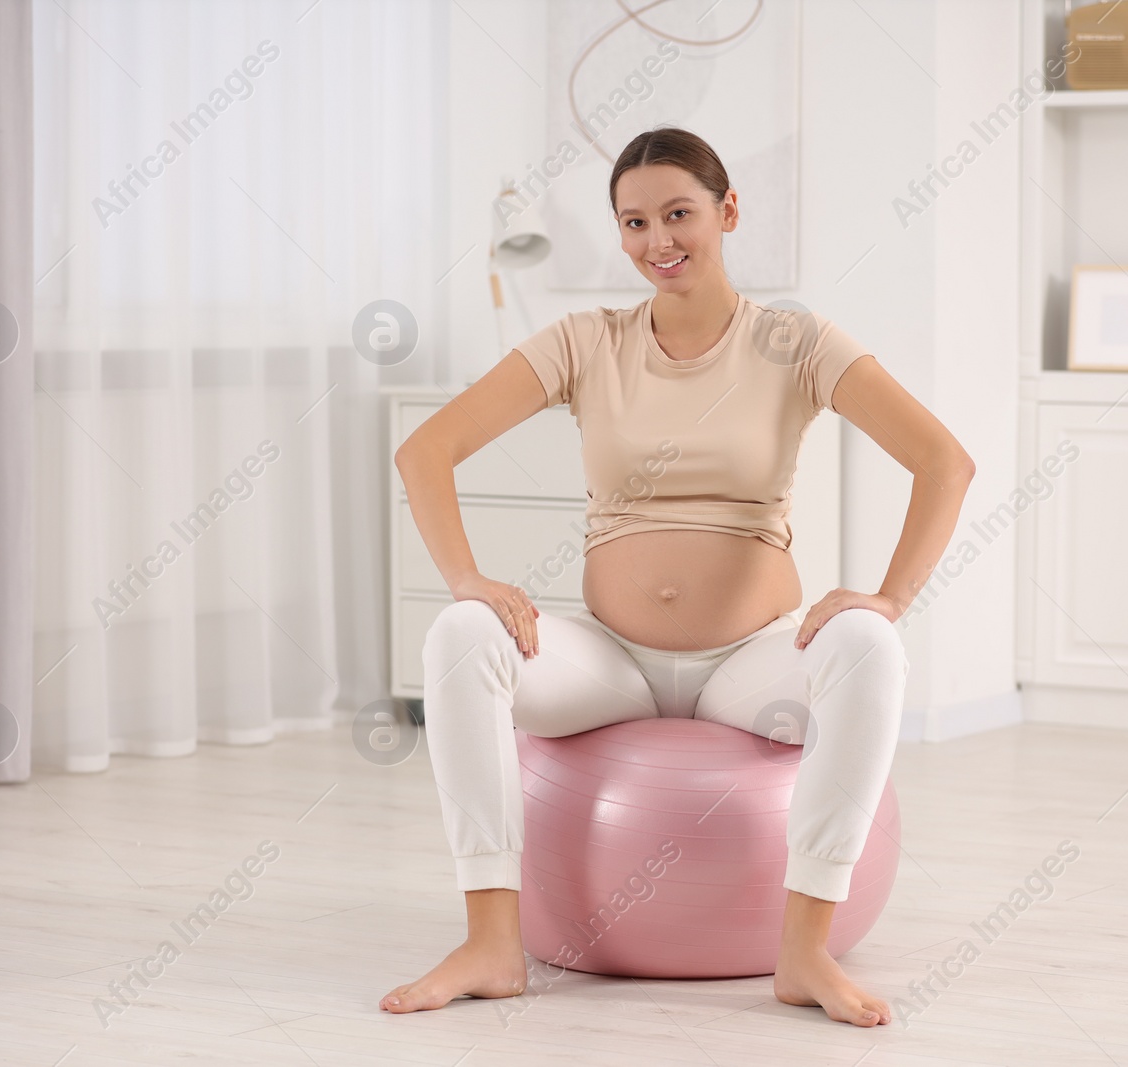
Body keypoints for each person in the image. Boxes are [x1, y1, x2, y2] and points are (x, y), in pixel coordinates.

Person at [383, 126, 974, 1027]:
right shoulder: (586, 341)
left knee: (871, 642)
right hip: (608, 665)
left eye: (678, 214)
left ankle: (804, 952)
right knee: (459, 633)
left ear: (727, 212)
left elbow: (944, 461)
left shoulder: (796, 341)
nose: (658, 240)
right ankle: (491, 943)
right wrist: (468, 577)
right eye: (634, 222)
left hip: (751, 666)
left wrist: (887, 597)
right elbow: (427, 449)